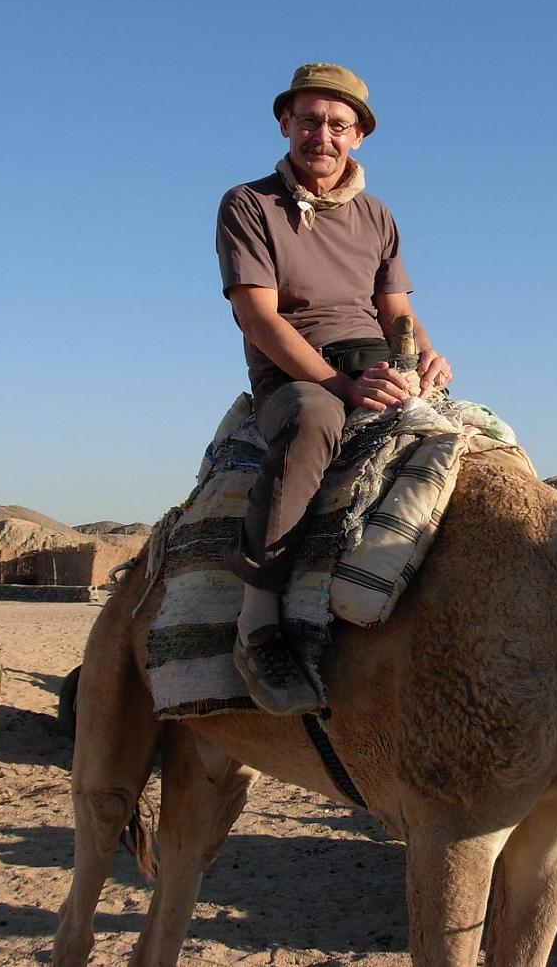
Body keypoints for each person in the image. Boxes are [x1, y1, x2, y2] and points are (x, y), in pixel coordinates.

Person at [217, 62, 452, 715]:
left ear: (358, 135)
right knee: (313, 420)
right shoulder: (248, 204)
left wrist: (428, 355)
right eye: (310, 120)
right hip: (296, 370)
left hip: (375, 361)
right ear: (285, 123)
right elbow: (259, 318)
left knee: (474, 435)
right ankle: (257, 622)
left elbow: (395, 310)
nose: (322, 135)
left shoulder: (376, 215)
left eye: (338, 125)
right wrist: (340, 386)